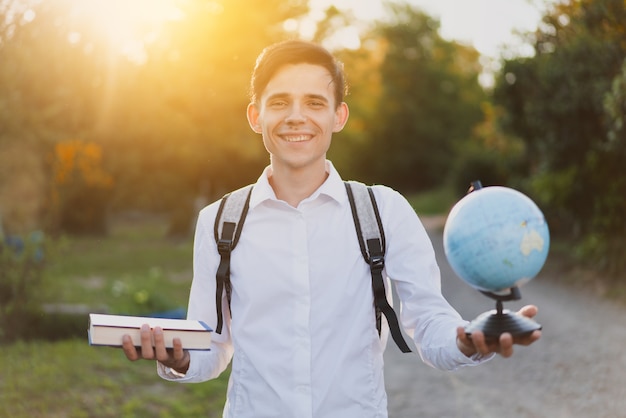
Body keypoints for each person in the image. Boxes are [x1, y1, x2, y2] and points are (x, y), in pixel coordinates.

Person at [122, 39, 541, 417]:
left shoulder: (383, 211)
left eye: (315, 103)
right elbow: (212, 348)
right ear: (256, 115)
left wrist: (468, 338)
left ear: (339, 115)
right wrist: (176, 359)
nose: (296, 117)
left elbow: (429, 323)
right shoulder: (219, 220)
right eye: (280, 102)